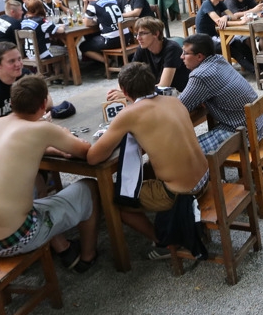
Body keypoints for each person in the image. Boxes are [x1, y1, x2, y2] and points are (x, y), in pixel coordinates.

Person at [0, 76, 97, 272]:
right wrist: (65, 136)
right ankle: (87, 257)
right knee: (89, 187)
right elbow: (86, 151)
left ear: (13, 101)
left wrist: (49, 149)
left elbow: (14, 150)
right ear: (44, 104)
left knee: (38, 198)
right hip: (15, 238)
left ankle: (65, 249)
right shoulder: (41, 128)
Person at [89, 63, 209, 257]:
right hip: (204, 178)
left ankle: (164, 243)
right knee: (147, 167)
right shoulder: (174, 101)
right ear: (153, 83)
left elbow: (93, 158)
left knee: (116, 203)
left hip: (179, 192)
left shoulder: (129, 114)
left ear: (125, 91)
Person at [179, 33, 263, 155]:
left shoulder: (200, 75)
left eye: (185, 53)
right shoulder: (218, 59)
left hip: (242, 133)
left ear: (199, 57)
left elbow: (180, 106)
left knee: (187, 153)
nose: (181, 57)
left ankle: (208, 172)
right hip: (257, 125)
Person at [107, 17, 190, 94]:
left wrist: (127, 94)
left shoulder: (172, 48)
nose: (138, 38)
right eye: (136, 34)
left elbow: (164, 86)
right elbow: (129, 73)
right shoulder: (143, 48)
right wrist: (119, 90)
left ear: (156, 34)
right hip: (157, 92)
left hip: (178, 93)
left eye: (142, 33)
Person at [195, 0, 256, 73]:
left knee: (241, 44)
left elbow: (233, 16)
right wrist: (241, 23)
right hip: (206, 41)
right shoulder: (207, 4)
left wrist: (225, 16)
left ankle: (261, 67)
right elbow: (219, 22)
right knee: (233, 50)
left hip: (217, 37)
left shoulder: (219, 3)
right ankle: (256, 72)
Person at [80, 0, 128, 65]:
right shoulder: (112, 0)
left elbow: (87, 23)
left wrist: (95, 21)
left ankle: (109, 62)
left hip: (112, 40)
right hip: (126, 36)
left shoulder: (93, 5)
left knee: (83, 46)